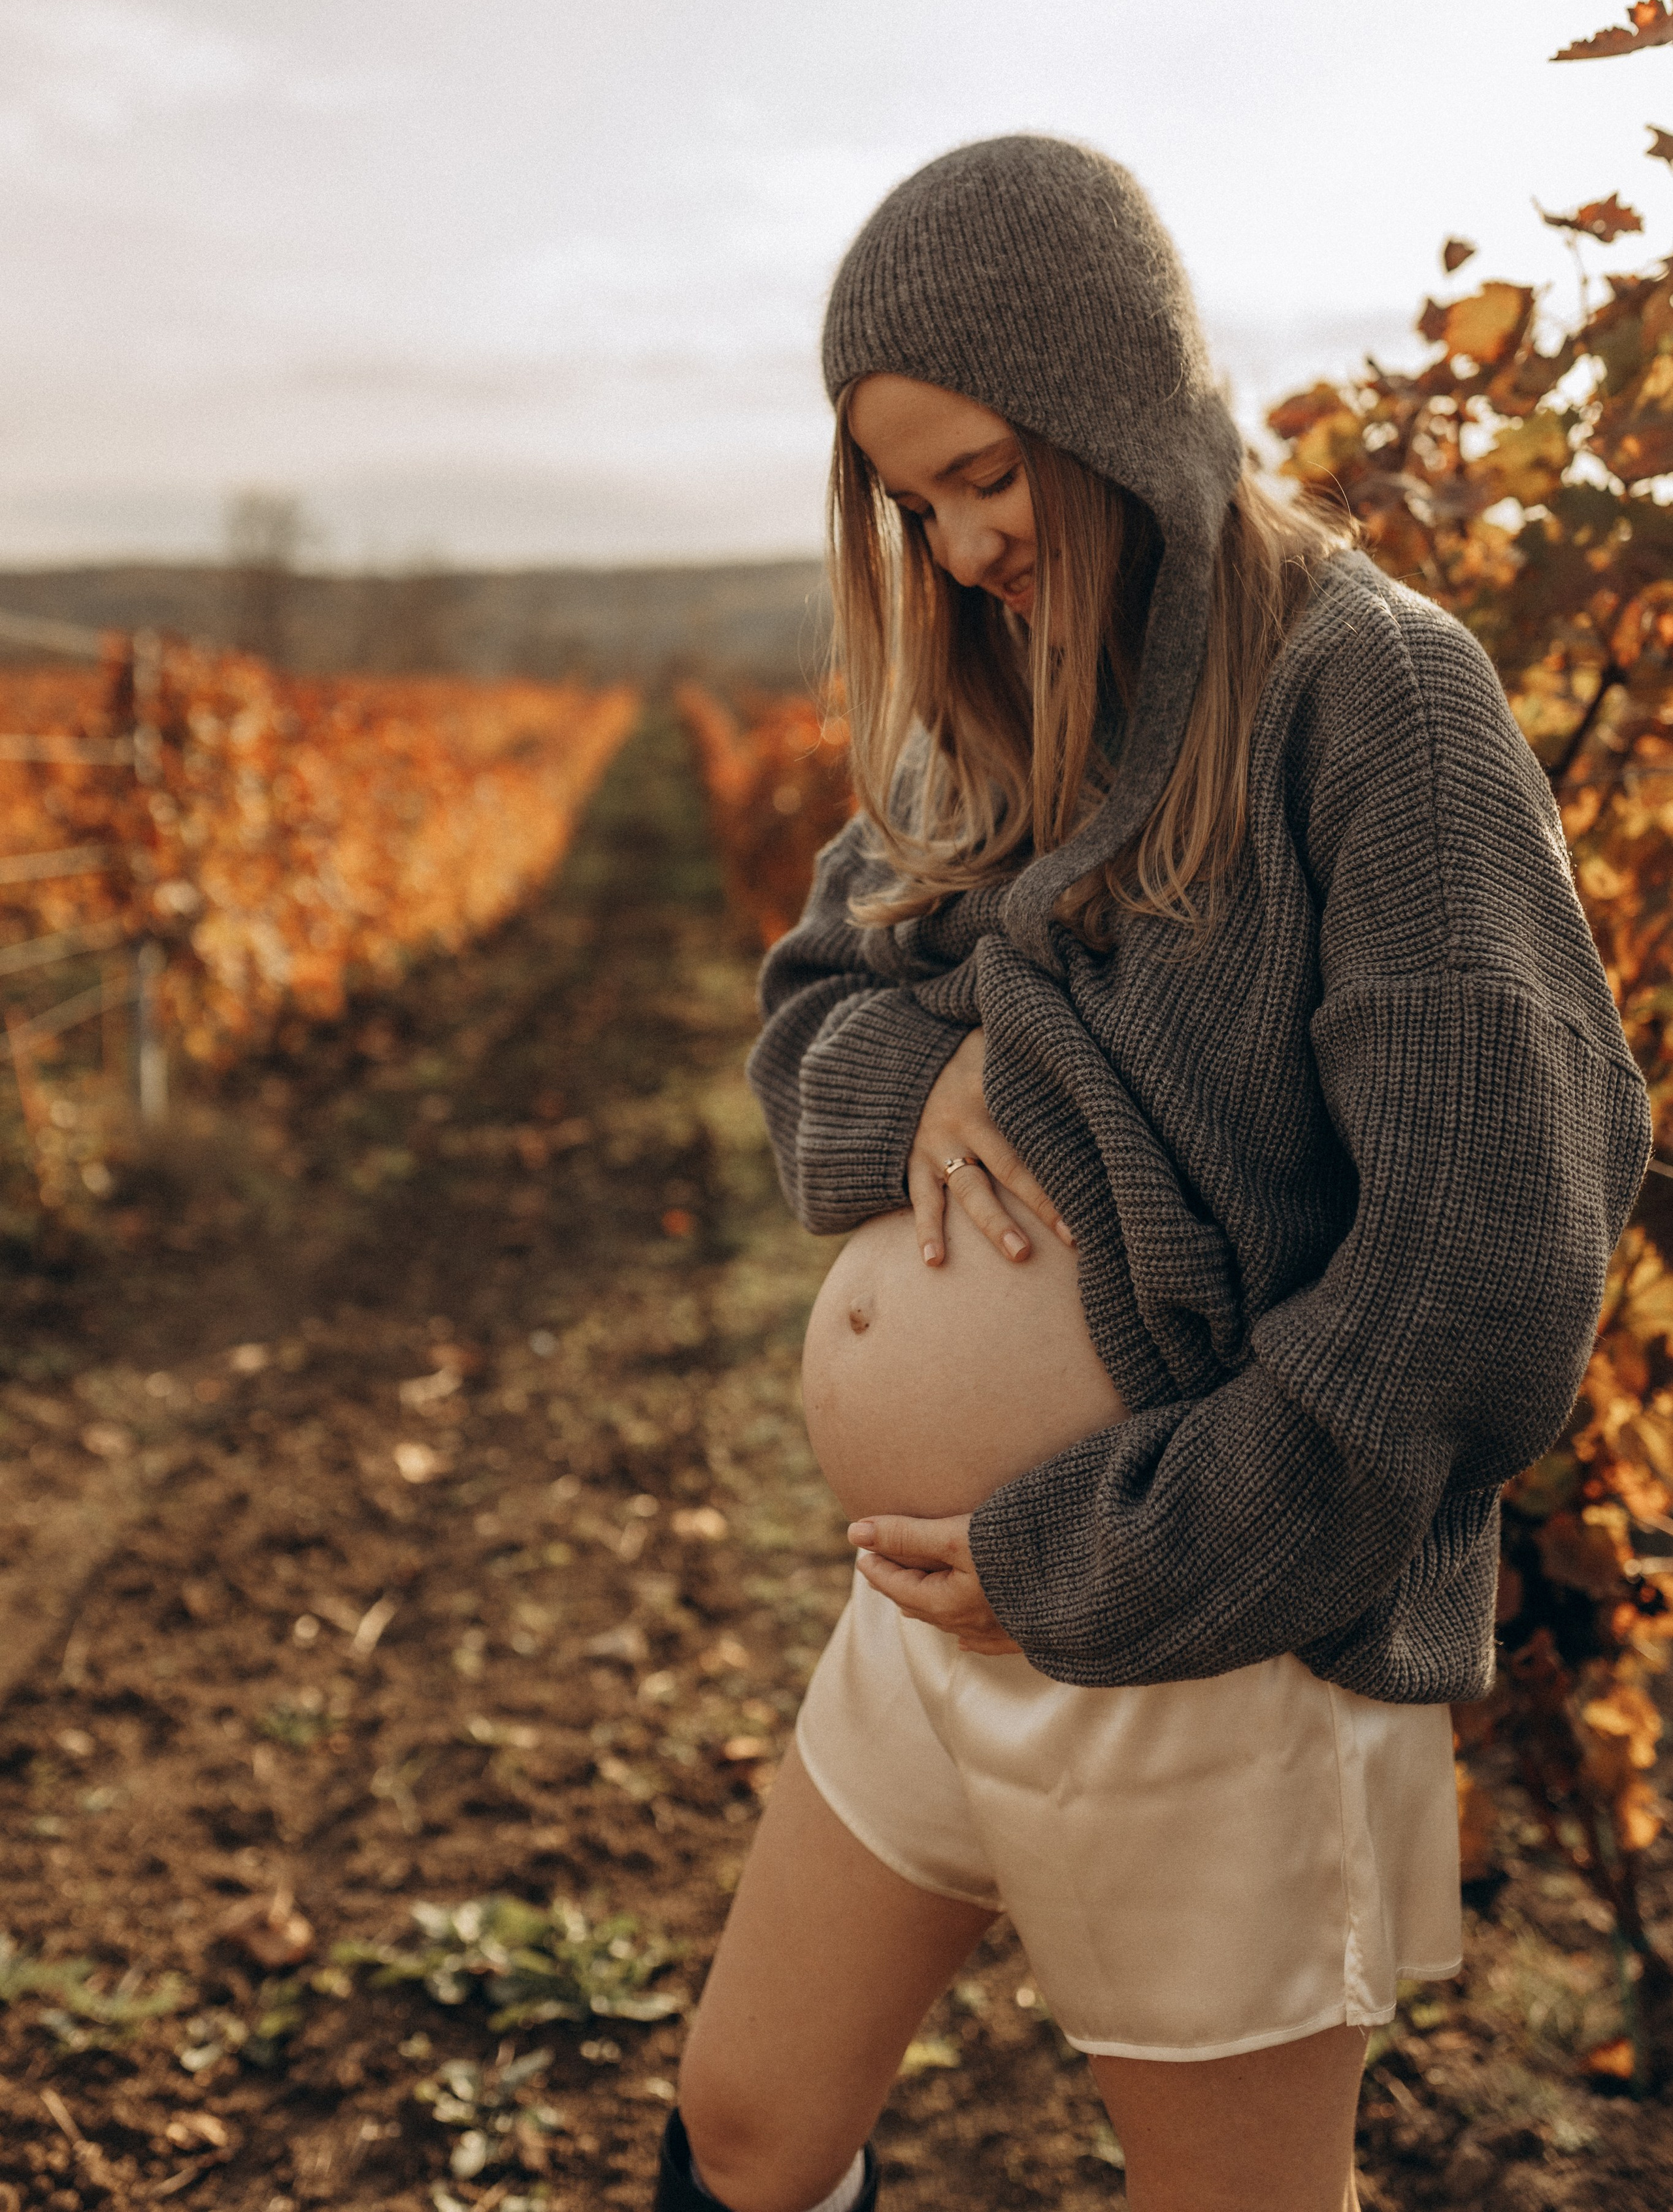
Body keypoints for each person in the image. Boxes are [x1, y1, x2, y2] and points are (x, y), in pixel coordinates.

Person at [650, 137, 1651, 2212]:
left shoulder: (1376, 697)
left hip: (1208, 1640)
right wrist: (925, 1056)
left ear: (1115, 396)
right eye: (914, 504)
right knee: (746, 2126)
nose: (961, 546)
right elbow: (812, 1012)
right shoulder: (994, 705)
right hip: (925, 1617)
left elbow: (1490, 1248)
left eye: (991, 476)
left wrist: (1104, 1554)